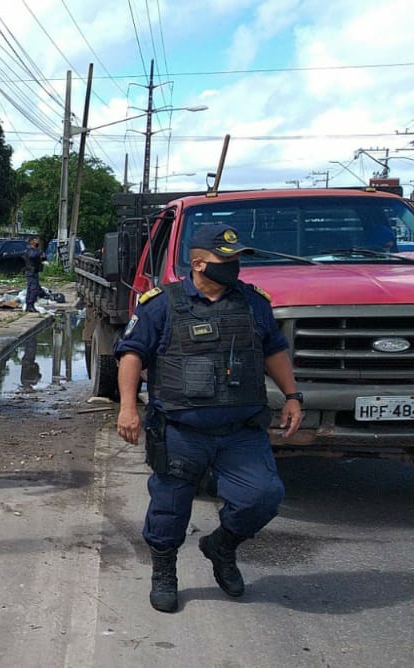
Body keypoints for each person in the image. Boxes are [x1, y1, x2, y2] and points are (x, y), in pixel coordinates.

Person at [114, 223, 303, 614]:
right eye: (225, 259)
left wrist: (292, 396)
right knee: (169, 510)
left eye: (236, 259)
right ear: (198, 264)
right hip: (182, 431)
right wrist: (128, 407)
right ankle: (164, 571)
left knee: (263, 497)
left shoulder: (254, 303)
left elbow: (274, 350)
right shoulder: (161, 305)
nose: (233, 266)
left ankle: (222, 546)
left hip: (240, 432)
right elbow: (132, 354)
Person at [23, 237, 45, 312]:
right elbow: (32, 256)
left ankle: (29, 305)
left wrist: (42, 256)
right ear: (32, 242)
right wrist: (40, 252)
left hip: (34, 272)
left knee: (31, 289)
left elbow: (43, 258)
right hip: (30, 272)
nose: (38, 242)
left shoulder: (35, 251)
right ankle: (30, 305)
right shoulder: (30, 250)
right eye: (36, 241)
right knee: (33, 289)